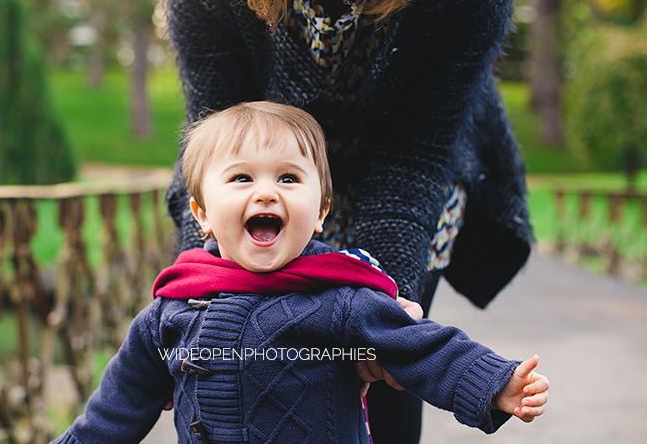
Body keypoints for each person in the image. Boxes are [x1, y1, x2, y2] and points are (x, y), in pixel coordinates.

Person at [164, 0, 532, 440]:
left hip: (410, 172)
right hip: (265, 172)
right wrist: (203, 296)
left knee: (377, 363)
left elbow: (416, 151)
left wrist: (386, 302)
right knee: (246, 349)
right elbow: (217, 146)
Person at [51, 102, 548, 444]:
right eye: (242, 177)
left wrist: (494, 383)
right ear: (201, 212)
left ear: (320, 210)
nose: (266, 192)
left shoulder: (340, 298)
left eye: (288, 178)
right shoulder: (171, 311)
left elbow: (425, 348)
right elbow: (114, 411)